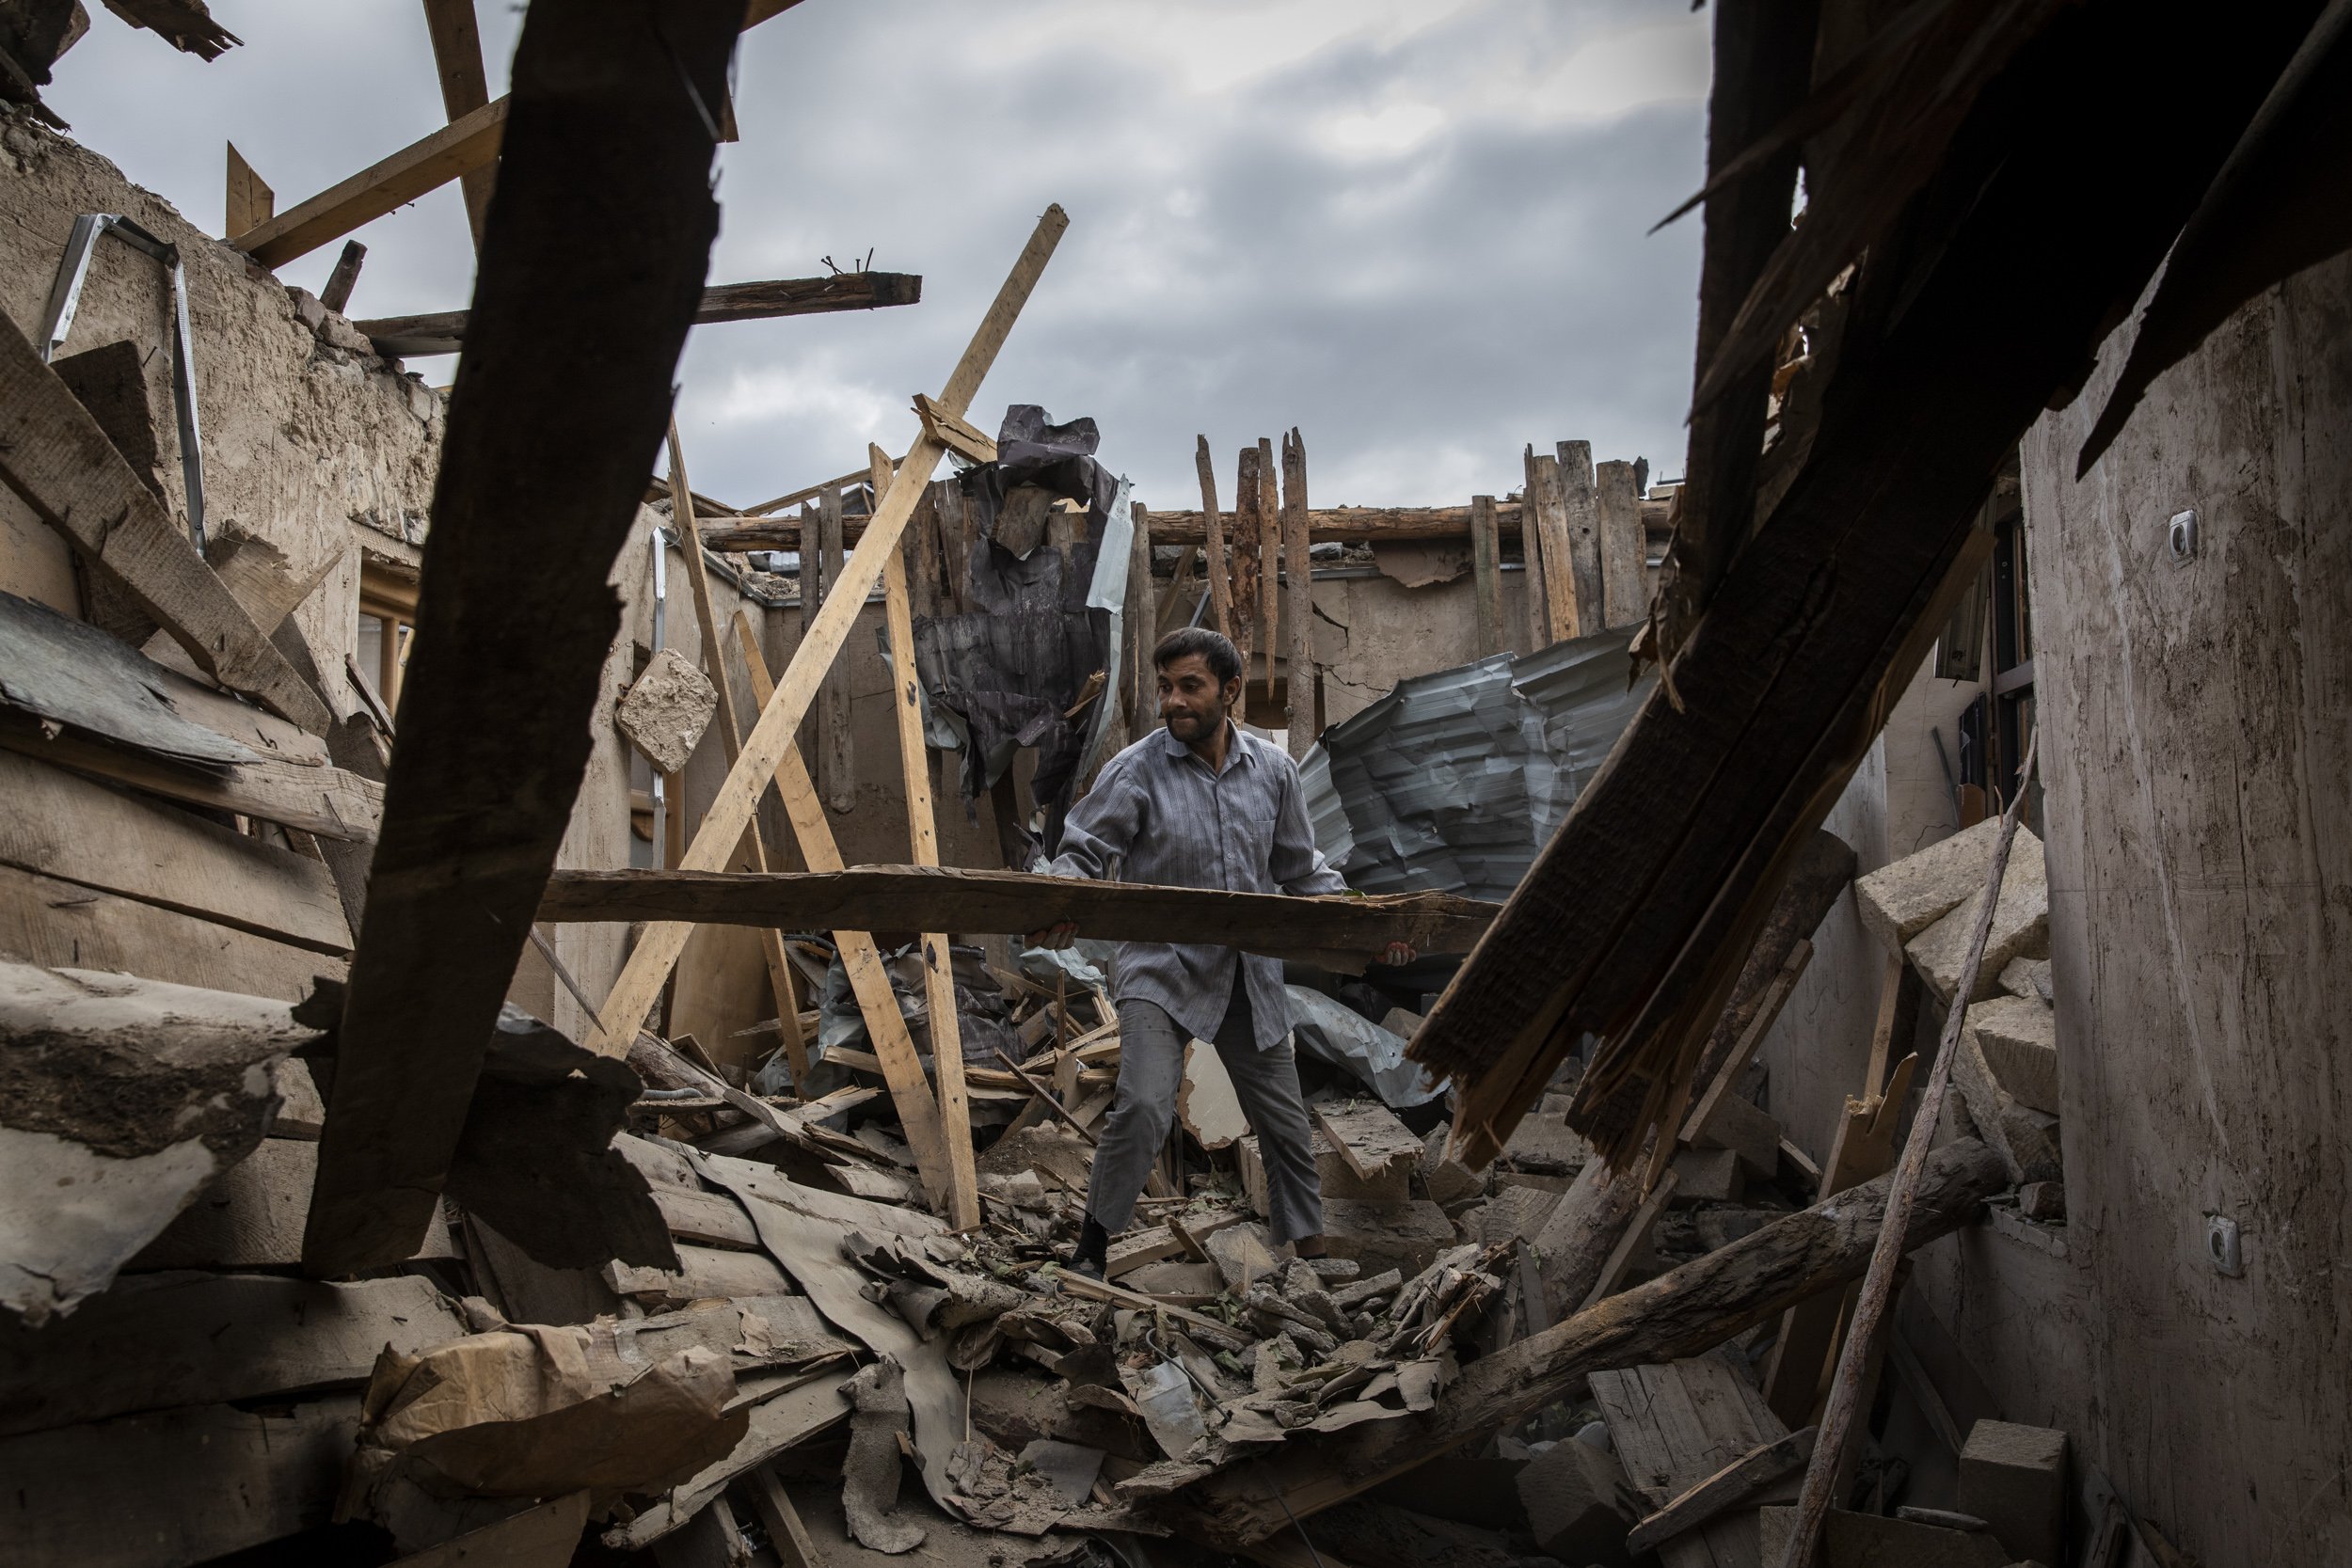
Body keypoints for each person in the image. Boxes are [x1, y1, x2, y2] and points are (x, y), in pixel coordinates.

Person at [1027, 626, 1414, 1278]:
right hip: (1162, 967)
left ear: (1230, 691)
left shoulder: (1275, 773)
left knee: (1285, 1121)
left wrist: (1371, 928)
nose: (1172, 700)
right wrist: (1058, 905)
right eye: (1165, 687)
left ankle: (1309, 1250)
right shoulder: (1137, 768)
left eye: (1190, 686)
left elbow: (1304, 872)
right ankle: (1092, 1245)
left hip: (1246, 973)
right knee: (1146, 1103)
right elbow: (1083, 855)